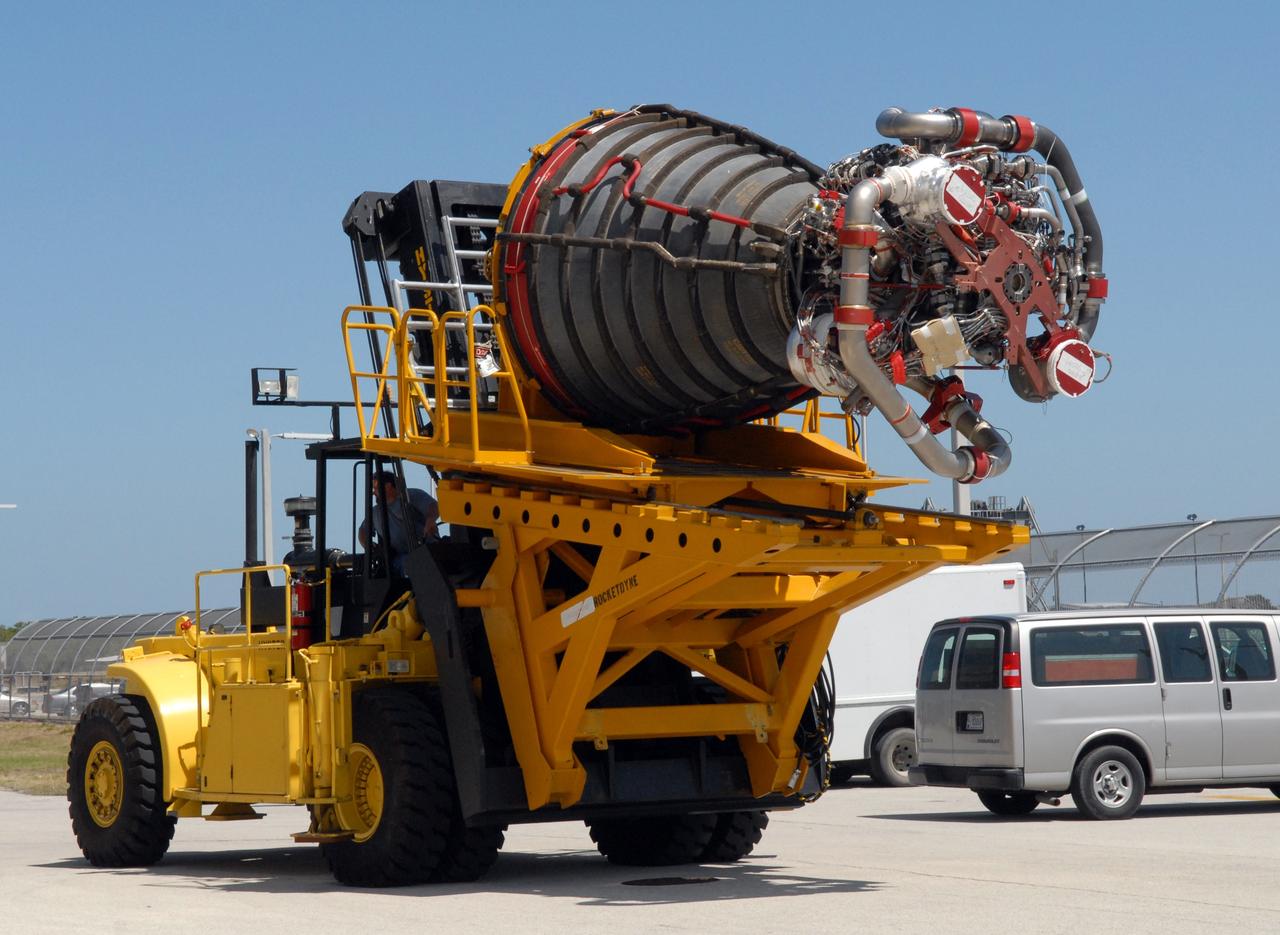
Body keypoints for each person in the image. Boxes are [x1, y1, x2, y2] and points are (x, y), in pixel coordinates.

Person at [358, 470, 440, 574]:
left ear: (387, 486)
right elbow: (363, 531)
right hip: (401, 558)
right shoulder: (375, 512)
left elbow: (433, 506)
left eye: (375, 488)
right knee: (408, 565)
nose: (373, 492)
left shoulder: (411, 496)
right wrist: (369, 546)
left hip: (427, 550)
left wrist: (430, 521)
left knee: (422, 564)